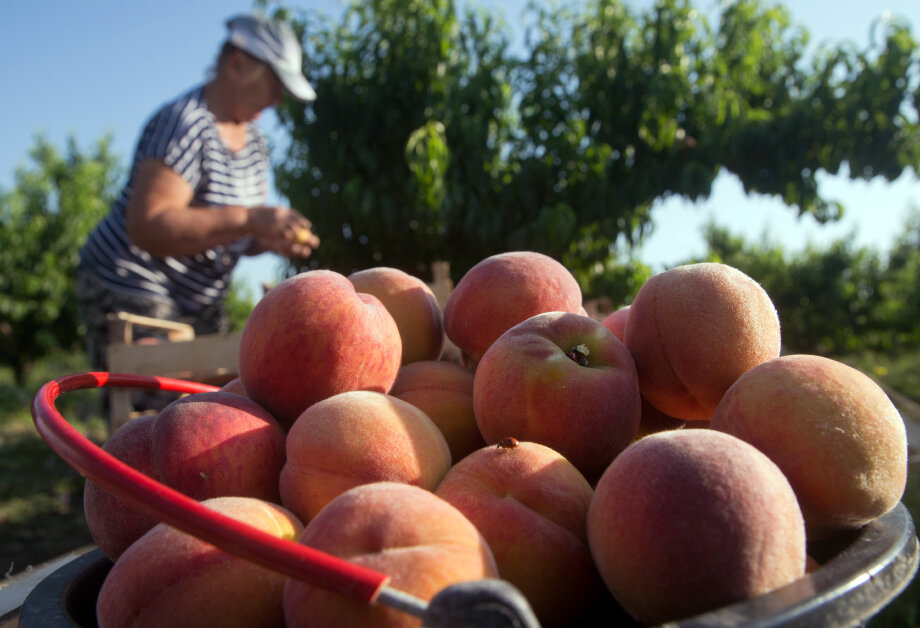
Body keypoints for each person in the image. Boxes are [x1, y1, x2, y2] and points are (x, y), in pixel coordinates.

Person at [75, 14, 321, 412]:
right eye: (275, 84)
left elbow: (228, 234)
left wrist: (267, 239)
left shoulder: (255, 144)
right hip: (136, 283)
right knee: (159, 412)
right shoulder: (186, 123)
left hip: (198, 299)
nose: (277, 100)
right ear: (237, 64)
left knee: (215, 405)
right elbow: (149, 224)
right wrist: (252, 219)